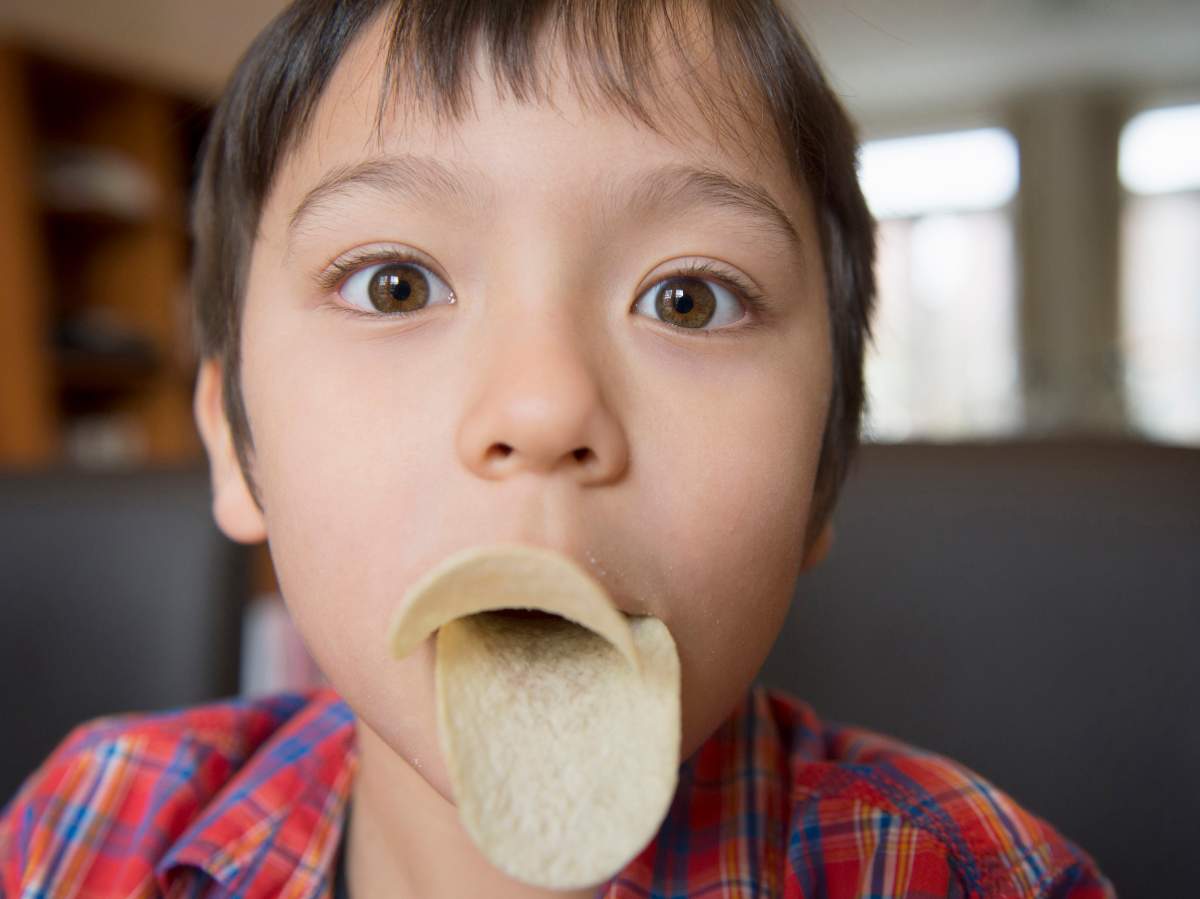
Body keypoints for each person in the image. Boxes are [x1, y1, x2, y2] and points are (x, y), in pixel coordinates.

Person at [0, 1, 1115, 896]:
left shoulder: (960, 872)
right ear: (235, 449)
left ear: (824, 470)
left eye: (687, 298)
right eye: (396, 284)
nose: (543, 408)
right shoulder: (91, 829)